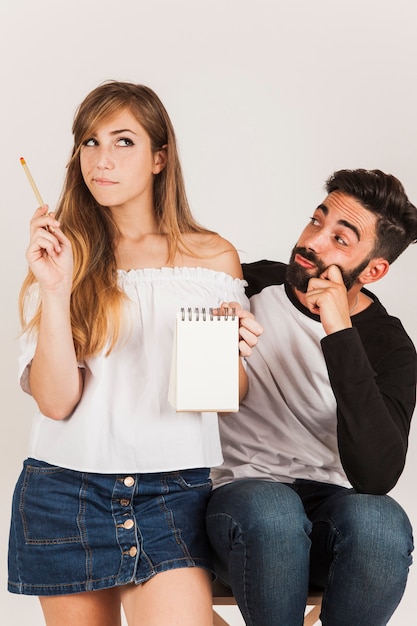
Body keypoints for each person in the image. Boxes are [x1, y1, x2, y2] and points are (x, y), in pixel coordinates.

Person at [8, 81, 262, 626]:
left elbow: (226, 396)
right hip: (65, 491)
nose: (101, 160)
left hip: (171, 492)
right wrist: (55, 290)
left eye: (123, 141)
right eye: (90, 143)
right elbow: (56, 403)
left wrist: (228, 353)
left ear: (159, 158)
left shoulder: (213, 257)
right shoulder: (58, 258)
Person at [206, 168, 417, 626]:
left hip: (330, 519)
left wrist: (339, 330)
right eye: (316, 221)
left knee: (383, 526)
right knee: (274, 513)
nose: (313, 242)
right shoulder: (245, 285)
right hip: (240, 507)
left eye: (341, 240)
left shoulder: (389, 344)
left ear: (375, 269)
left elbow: (377, 476)